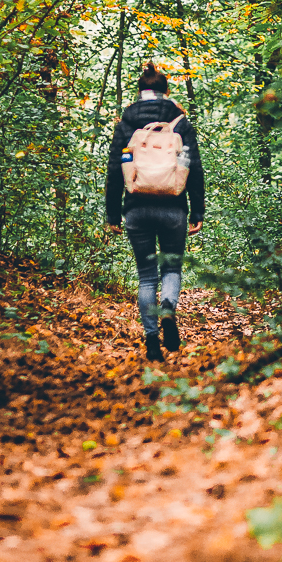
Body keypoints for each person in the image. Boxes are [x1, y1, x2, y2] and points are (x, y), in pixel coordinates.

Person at [105, 61, 205, 361]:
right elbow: (194, 168)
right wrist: (198, 210)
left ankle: (151, 342)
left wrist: (112, 213)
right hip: (174, 207)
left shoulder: (127, 121)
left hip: (136, 208)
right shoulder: (179, 122)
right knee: (171, 269)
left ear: (139, 91)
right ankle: (168, 312)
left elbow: (114, 169)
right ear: (167, 91)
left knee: (146, 277)